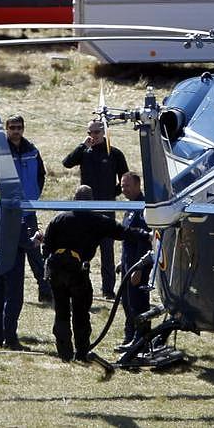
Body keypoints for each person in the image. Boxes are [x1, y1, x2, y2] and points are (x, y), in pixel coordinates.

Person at [40, 184, 148, 363]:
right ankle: (81, 353)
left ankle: (65, 353)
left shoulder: (59, 219)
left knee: (61, 312)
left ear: (74, 199)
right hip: (78, 272)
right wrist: (147, 235)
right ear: (91, 201)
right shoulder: (97, 220)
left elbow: (47, 246)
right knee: (81, 313)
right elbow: (123, 232)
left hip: (57, 272)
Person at [62, 118, 128, 298]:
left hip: (106, 208)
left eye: (96, 132)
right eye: (89, 133)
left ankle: (108, 290)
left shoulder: (114, 154)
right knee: (84, 249)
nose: (93, 136)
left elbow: (124, 178)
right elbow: (67, 163)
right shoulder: (84, 152)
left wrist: (111, 194)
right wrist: (81, 146)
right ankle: (82, 284)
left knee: (107, 249)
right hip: (86, 208)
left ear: (104, 132)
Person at [3, 115, 52, 305]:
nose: (16, 131)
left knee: (34, 253)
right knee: (8, 253)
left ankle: (45, 290)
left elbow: (41, 175)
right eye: (12, 127)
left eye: (19, 127)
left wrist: (34, 195)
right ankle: (7, 292)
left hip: (29, 211)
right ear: (6, 129)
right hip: (7, 211)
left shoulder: (32, 150)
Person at [0, 194, 33, 349]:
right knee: (13, 300)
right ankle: (10, 338)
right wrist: (35, 241)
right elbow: (23, 241)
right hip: (13, 261)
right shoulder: (15, 211)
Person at [117, 171, 152, 352]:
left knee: (138, 302)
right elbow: (127, 236)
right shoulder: (131, 207)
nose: (124, 189)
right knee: (127, 301)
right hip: (127, 262)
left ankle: (141, 339)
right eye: (122, 186)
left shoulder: (143, 208)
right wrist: (121, 262)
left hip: (138, 265)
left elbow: (145, 240)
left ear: (138, 185)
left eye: (127, 186)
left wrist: (139, 268)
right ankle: (130, 336)